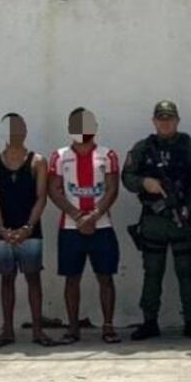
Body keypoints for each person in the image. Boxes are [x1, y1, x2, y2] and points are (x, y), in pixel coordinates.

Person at [122, 100, 191, 341]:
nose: (165, 123)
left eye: (169, 119)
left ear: (177, 121)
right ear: (154, 121)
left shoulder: (190, 147)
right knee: (152, 272)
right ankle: (149, 321)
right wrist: (144, 183)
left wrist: (188, 206)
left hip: (182, 219)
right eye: (161, 119)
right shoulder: (143, 148)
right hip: (153, 220)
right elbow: (127, 176)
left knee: (186, 272)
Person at [49, 108, 121, 344]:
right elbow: (54, 189)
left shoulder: (107, 154)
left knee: (105, 277)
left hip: (102, 226)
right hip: (71, 227)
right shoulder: (59, 156)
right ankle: (72, 328)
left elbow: (112, 188)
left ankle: (108, 326)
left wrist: (95, 215)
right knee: (72, 278)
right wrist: (78, 215)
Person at [0, 113, 59, 347]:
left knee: (33, 279)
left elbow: (41, 197)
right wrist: (2, 228)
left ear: (25, 132)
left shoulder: (37, 161)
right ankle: (7, 330)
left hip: (30, 229)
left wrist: (28, 227)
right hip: (4, 230)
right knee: (6, 280)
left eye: (18, 129)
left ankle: (38, 331)